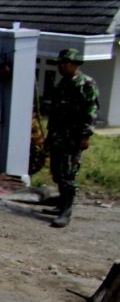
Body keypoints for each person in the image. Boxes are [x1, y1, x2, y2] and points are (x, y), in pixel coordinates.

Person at [46, 48, 98, 228]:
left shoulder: (85, 84)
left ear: (75, 64)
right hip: (58, 136)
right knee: (57, 172)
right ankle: (60, 205)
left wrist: (86, 135)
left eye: (65, 63)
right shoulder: (63, 84)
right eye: (60, 63)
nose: (61, 67)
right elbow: (55, 113)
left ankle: (66, 211)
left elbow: (90, 111)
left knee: (68, 174)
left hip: (73, 138)